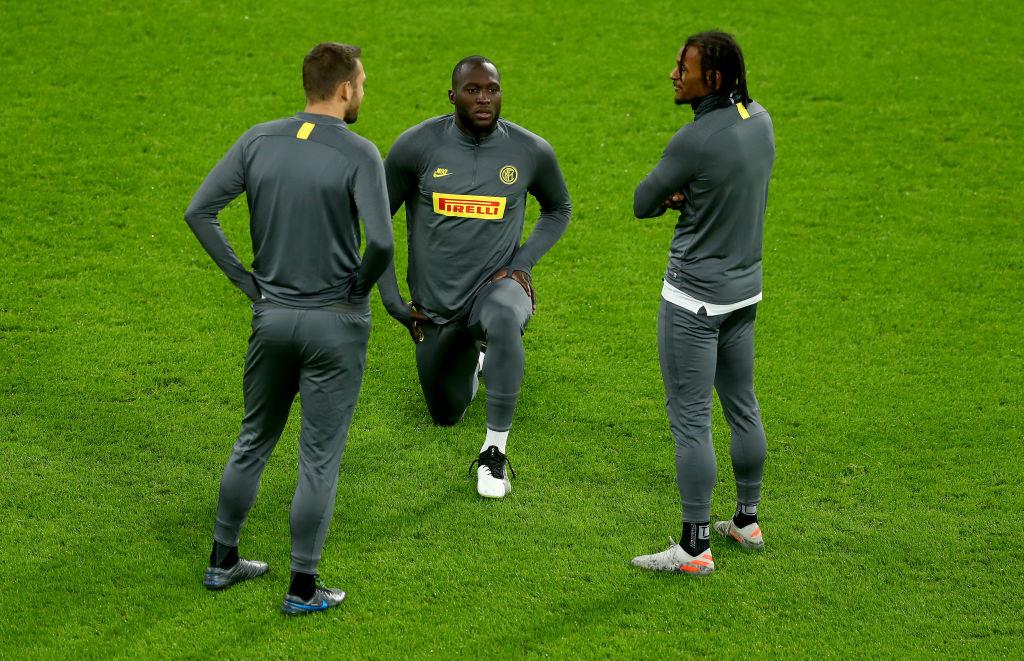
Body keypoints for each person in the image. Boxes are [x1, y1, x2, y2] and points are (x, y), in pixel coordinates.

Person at [184, 42, 393, 613]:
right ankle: (303, 588)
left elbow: (199, 212)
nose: (362, 92)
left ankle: (222, 559)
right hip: (335, 325)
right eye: (362, 83)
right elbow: (380, 243)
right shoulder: (359, 152)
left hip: (271, 318)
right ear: (345, 88)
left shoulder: (258, 139)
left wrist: (247, 282)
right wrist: (357, 289)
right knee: (318, 459)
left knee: (253, 438)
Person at [379, 56, 572, 498]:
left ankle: (493, 453)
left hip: (495, 288)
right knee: (445, 413)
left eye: (492, 89)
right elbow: (375, 220)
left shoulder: (529, 150)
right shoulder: (416, 147)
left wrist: (522, 264)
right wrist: (391, 298)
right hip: (436, 307)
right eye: (473, 90)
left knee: (503, 314)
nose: (484, 98)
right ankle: (479, 357)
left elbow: (558, 207)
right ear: (453, 96)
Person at [629, 31, 775, 575]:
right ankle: (747, 521)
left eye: (682, 68)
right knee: (743, 406)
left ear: (711, 78)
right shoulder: (760, 120)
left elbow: (643, 202)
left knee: (691, 422)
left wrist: (677, 195)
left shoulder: (694, 141)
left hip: (693, 299)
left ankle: (694, 548)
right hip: (744, 293)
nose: (673, 74)